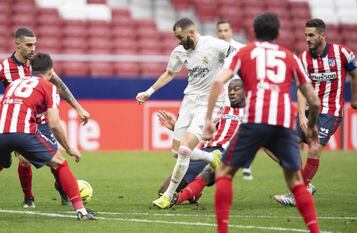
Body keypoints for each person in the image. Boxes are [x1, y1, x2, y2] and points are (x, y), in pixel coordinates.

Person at [204, 13, 322, 233]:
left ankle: (222, 230)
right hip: (284, 123)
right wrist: (312, 127)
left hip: (255, 119)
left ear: (254, 32)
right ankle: (315, 230)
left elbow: (219, 80)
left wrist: (209, 118)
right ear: (277, 33)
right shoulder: (290, 57)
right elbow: (313, 101)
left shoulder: (245, 52)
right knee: (297, 182)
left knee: (224, 173)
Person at [0, 27, 89, 208]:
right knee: (24, 159)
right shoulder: (3, 67)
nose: (33, 49)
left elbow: (60, 86)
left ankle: (62, 190)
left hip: (42, 120)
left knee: (55, 159)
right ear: (17, 44)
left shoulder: (37, 64)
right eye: (29, 45)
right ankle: (29, 198)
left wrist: (78, 108)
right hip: (20, 121)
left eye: (35, 44)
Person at [136, 18, 236, 209]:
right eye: (176, 37)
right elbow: (169, 73)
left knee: (184, 149)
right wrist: (149, 92)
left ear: (191, 33)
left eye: (180, 37)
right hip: (190, 99)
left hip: (209, 102)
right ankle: (212, 157)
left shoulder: (214, 45)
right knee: (175, 151)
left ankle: (168, 196)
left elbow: (236, 53)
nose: (178, 41)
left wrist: (227, 71)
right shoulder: (180, 51)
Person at [273, 18, 357, 206]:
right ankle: (304, 183)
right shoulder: (303, 59)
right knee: (273, 143)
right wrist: (300, 115)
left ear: (323, 35)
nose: (307, 39)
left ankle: (297, 195)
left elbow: (356, 74)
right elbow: (300, 87)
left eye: (311, 35)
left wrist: (354, 101)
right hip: (308, 111)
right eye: (305, 35)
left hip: (330, 112)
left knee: (314, 149)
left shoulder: (342, 53)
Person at [158, 78, 245, 206]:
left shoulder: (252, 113)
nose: (232, 92)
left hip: (227, 153)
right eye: (230, 89)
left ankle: (180, 198)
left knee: (209, 171)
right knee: (162, 192)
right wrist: (176, 128)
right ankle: (193, 194)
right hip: (205, 152)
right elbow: (201, 134)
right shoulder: (219, 110)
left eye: (236, 89)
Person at [216, 20, 253, 180]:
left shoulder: (241, 49)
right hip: (220, 96)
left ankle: (247, 165)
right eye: (220, 31)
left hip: (237, 97)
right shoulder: (215, 49)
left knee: (244, 129)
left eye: (226, 30)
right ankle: (217, 160)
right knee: (219, 130)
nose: (223, 33)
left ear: (231, 31)